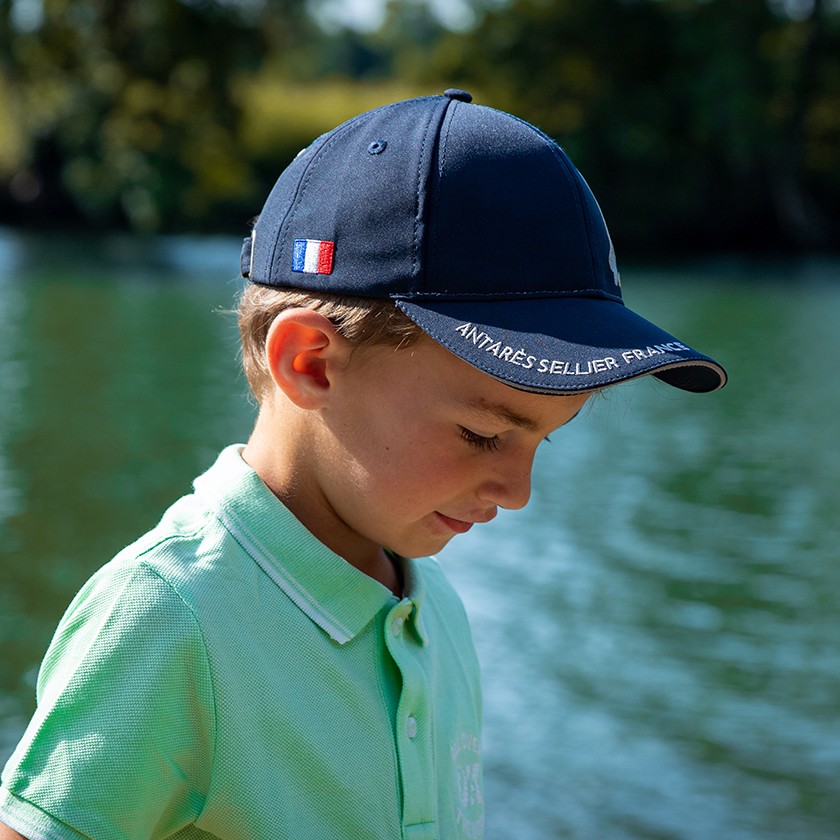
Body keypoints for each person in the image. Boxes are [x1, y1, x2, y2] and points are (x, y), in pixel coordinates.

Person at [0, 89, 726, 840]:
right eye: (482, 435)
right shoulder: (171, 620)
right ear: (311, 362)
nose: (519, 492)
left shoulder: (430, 609)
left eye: (546, 438)